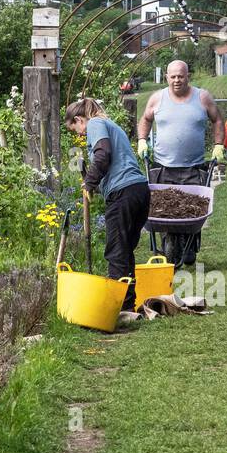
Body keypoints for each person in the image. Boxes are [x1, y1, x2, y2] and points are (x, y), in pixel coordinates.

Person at [65, 97, 150, 313]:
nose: (81, 136)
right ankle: (128, 306)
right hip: (139, 190)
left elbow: (103, 154)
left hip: (123, 193)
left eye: (76, 130)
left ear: (78, 119)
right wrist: (88, 174)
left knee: (116, 252)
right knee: (125, 251)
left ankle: (117, 309)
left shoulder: (95, 123)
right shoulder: (111, 125)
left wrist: (89, 183)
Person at [136, 60, 224, 267]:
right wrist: (142, 140)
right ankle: (169, 246)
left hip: (193, 166)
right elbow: (146, 119)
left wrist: (218, 144)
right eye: (173, 76)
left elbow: (218, 120)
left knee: (193, 209)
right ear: (167, 77)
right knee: (163, 211)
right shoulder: (157, 98)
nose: (177, 80)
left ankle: (191, 244)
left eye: (180, 76)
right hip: (163, 166)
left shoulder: (202, 97)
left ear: (188, 76)